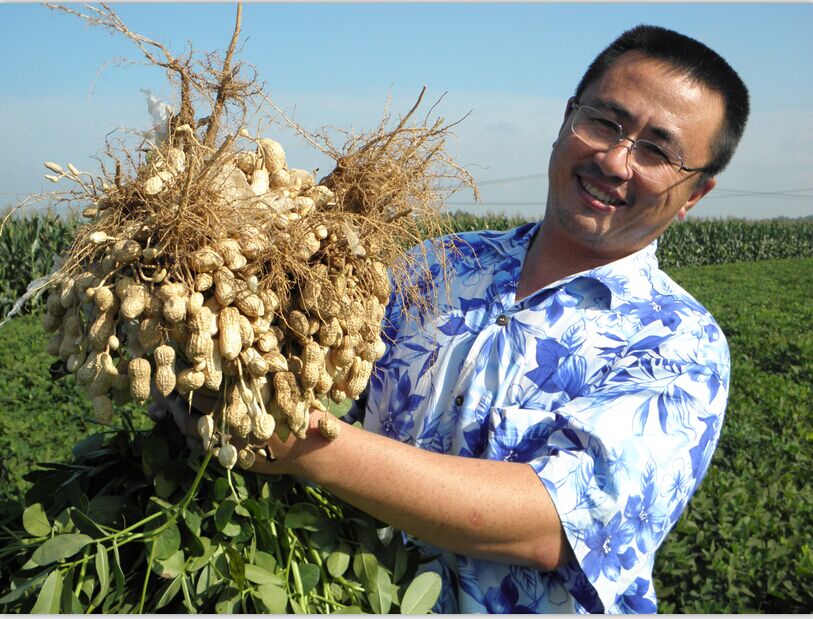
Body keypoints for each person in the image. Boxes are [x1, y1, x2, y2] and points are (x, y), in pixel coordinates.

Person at [162, 24, 750, 613]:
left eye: (657, 152)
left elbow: (549, 524)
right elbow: (326, 374)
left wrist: (301, 443)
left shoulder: (681, 345)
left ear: (695, 194)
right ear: (567, 118)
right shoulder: (439, 263)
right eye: (604, 122)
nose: (616, 161)